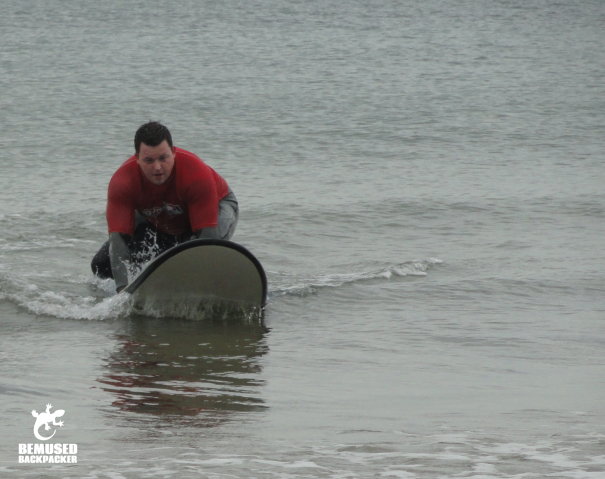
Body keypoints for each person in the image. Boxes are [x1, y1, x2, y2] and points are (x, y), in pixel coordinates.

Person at [91, 121, 238, 293]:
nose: (158, 167)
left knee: (196, 249)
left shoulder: (195, 174)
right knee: (101, 265)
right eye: (149, 160)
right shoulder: (122, 182)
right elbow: (119, 241)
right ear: (137, 158)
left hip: (218, 207)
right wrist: (123, 291)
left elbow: (206, 239)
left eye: (163, 158)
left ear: (174, 152)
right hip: (163, 218)